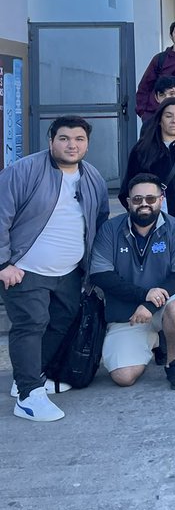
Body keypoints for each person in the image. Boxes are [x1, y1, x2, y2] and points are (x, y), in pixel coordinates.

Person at [1, 117, 109, 422]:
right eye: (63, 138)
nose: (71, 144)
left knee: (62, 321)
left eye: (78, 139)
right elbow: (1, 215)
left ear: (87, 144)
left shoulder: (94, 178)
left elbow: (98, 223)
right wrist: (3, 264)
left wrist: (92, 270)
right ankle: (28, 396)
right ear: (51, 141)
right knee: (30, 324)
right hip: (24, 269)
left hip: (69, 272)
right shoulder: (24, 171)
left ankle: (28, 377)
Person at [119, 97, 175, 366]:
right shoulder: (142, 150)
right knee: (154, 281)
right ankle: (161, 343)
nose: (174, 121)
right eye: (169, 115)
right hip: (149, 226)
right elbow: (128, 189)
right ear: (159, 118)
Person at [91, 174, 175, 392]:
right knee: (123, 377)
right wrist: (143, 295)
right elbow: (101, 275)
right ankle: (155, 341)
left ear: (161, 199)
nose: (144, 204)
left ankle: (174, 363)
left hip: (164, 303)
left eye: (150, 198)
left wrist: (150, 303)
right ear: (128, 202)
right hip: (129, 313)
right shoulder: (110, 230)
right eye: (137, 199)